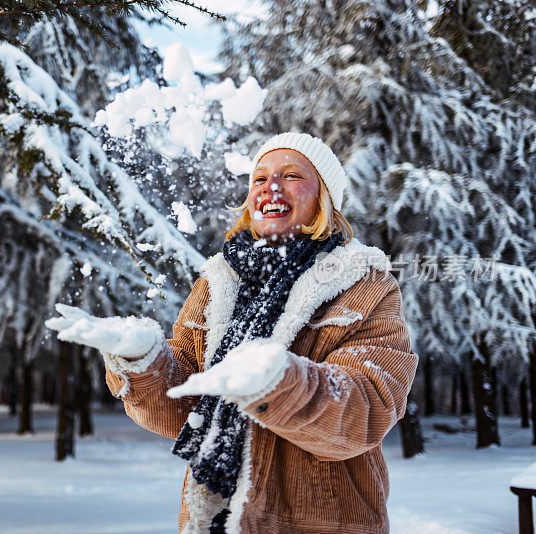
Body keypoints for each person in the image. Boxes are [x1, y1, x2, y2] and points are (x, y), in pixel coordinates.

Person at [46, 131, 418, 533]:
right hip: (216, 518)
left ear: (323, 200)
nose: (271, 187)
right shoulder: (219, 280)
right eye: (259, 178)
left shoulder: (364, 285)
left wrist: (280, 382)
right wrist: (142, 361)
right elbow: (183, 406)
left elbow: (365, 410)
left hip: (320, 521)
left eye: (292, 175)